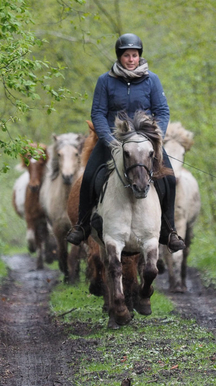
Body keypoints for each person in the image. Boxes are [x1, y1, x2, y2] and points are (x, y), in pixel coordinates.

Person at [66, 33, 185, 252]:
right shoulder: (105, 81)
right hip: (113, 140)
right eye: (126, 55)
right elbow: (98, 114)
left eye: (134, 55)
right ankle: (82, 225)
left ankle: (170, 230)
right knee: (89, 175)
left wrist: (154, 138)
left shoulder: (152, 80)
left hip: (146, 143)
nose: (131, 59)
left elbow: (162, 111)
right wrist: (109, 140)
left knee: (169, 179)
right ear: (119, 57)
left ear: (139, 56)